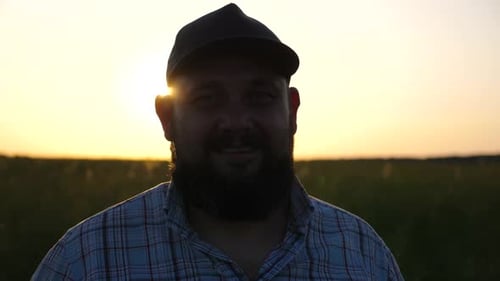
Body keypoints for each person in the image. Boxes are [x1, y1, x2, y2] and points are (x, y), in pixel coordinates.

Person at [32, 3, 404, 281]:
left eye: (259, 97)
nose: (237, 122)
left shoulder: (363, 255)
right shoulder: (87, 260)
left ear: (292, 112)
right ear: (167, 118)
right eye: (207, 99)